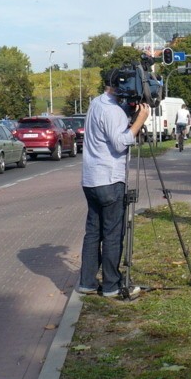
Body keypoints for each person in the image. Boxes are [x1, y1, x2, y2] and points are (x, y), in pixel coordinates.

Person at [78, 73, 150, 299]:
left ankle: (87, 282)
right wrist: (139, 121)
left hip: (91, 179)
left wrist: (129, 113)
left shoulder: (97, 103)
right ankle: (111, 285)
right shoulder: (113, 111)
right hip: (109, 179)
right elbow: (120, 143)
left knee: (93, 232)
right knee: (111, 233)